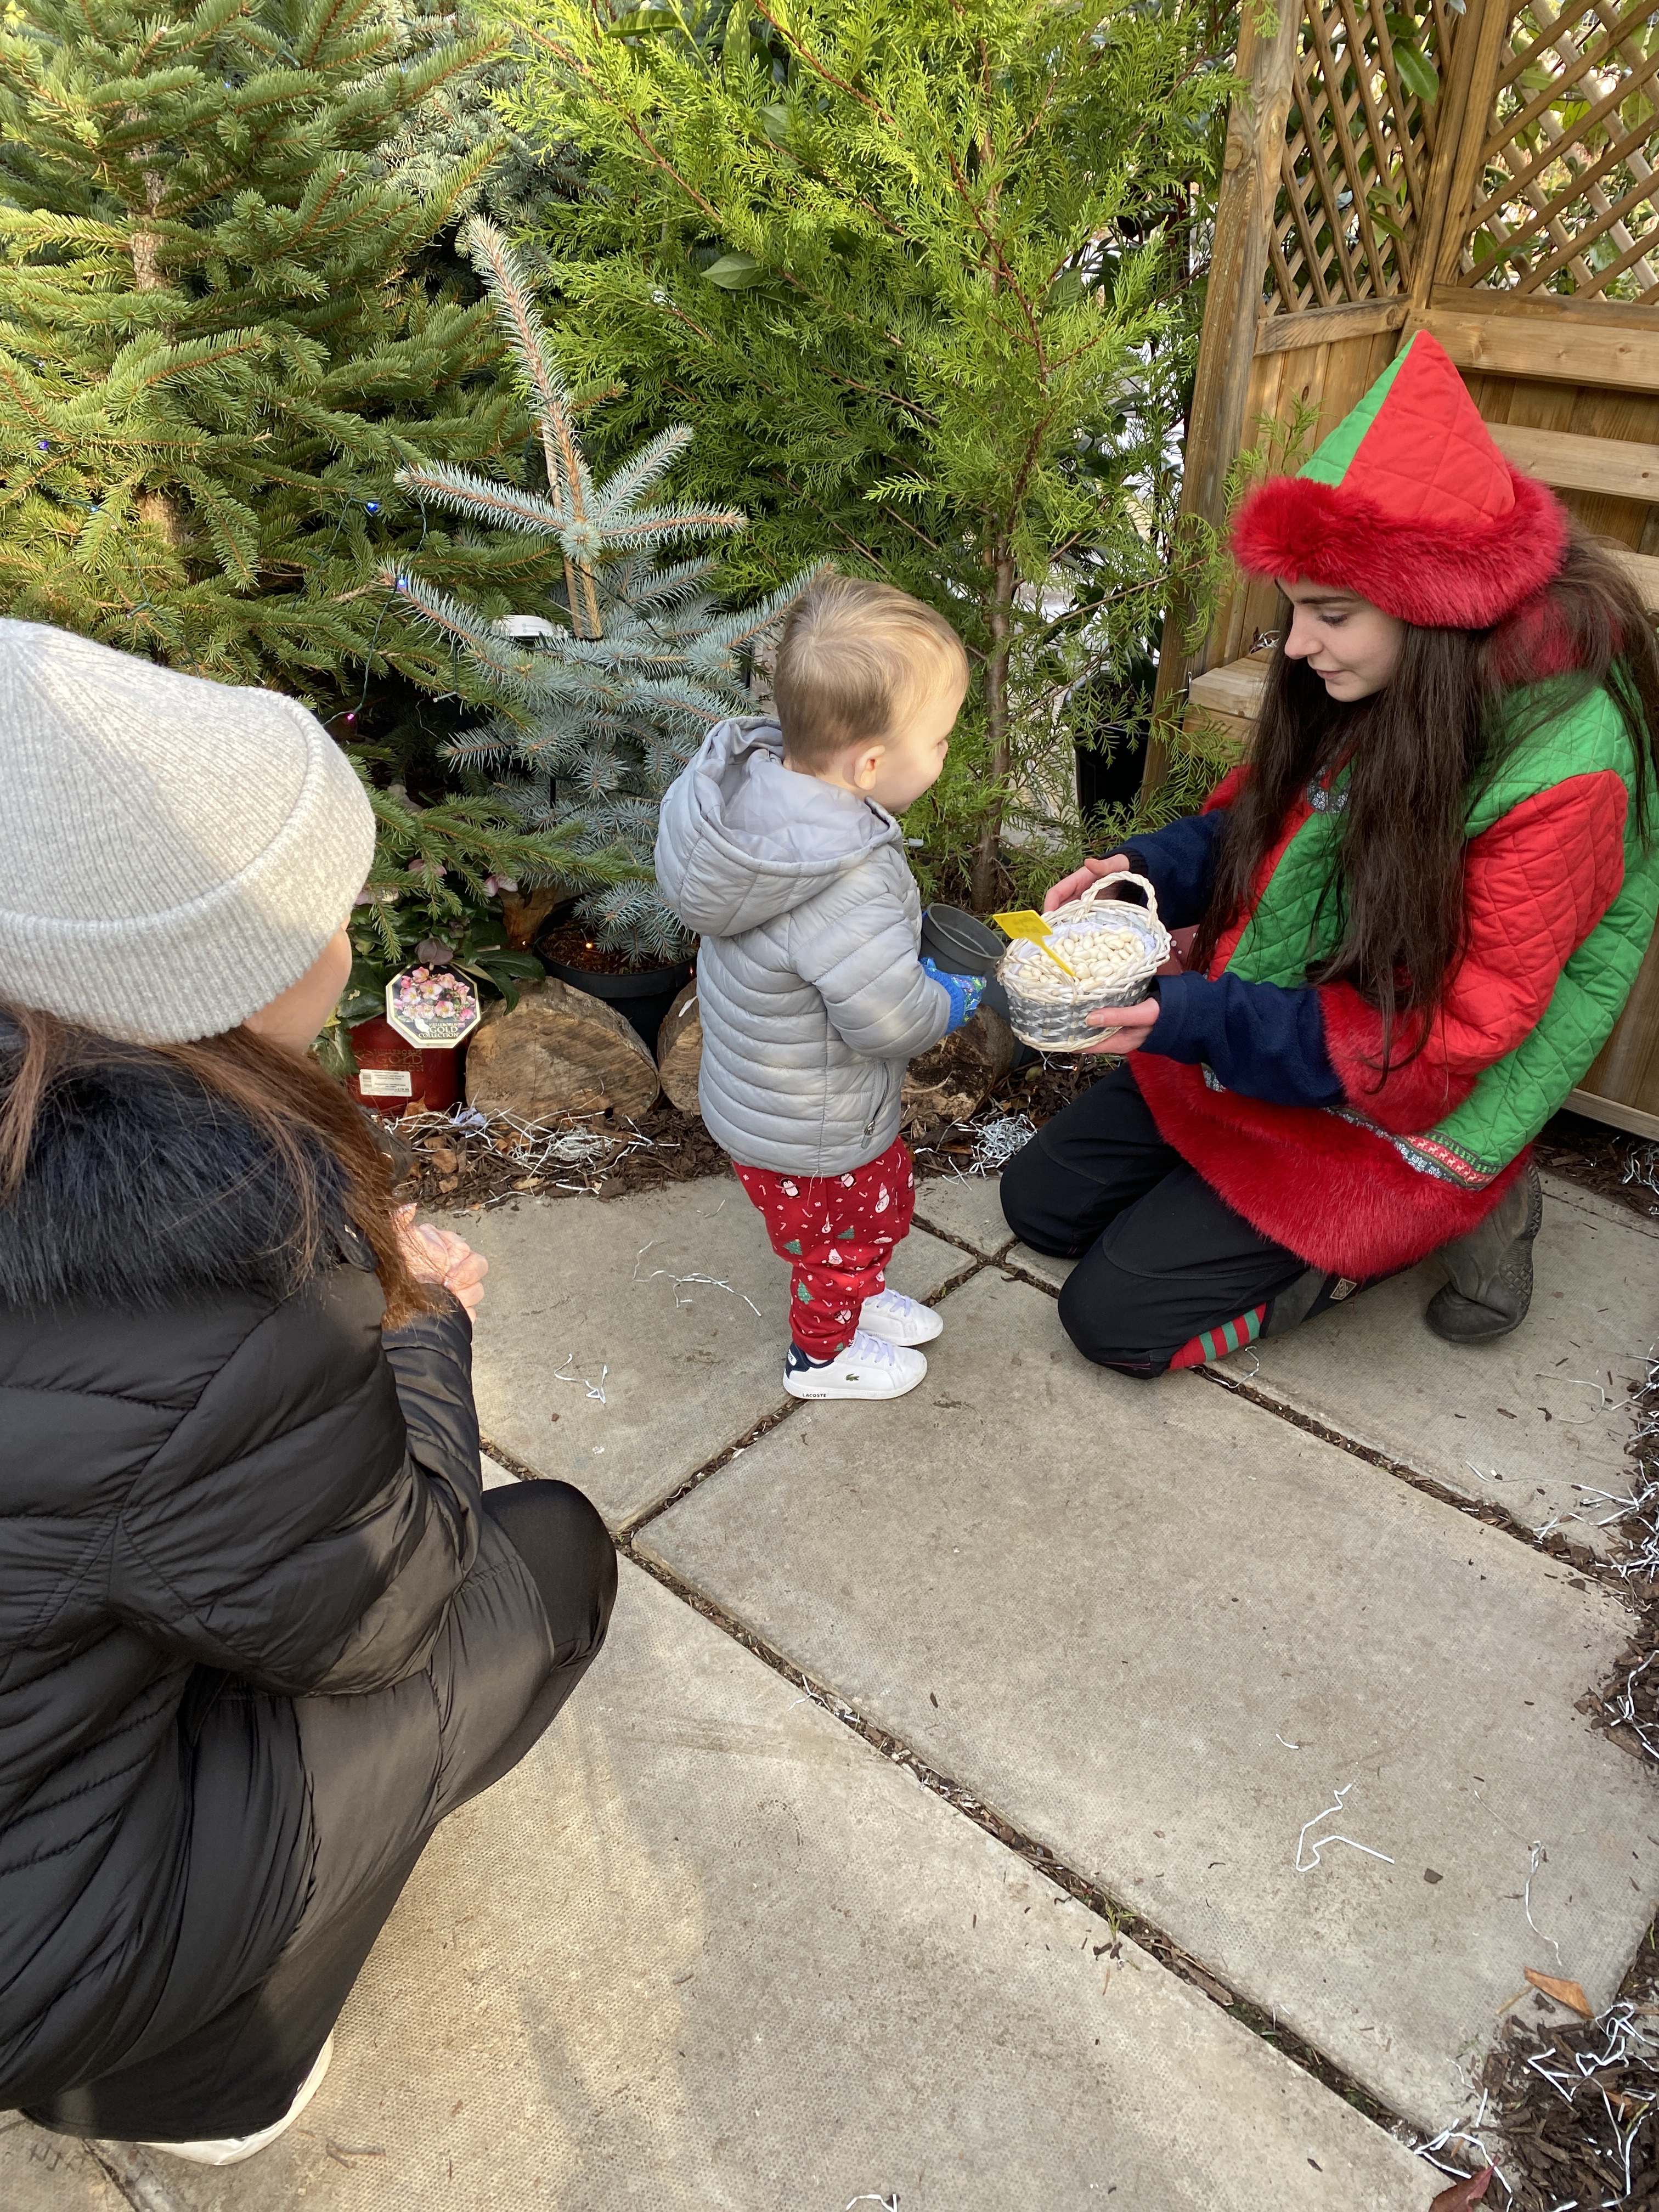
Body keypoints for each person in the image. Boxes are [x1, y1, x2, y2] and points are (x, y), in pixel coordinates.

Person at [0, 620, 616, 2164]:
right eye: (330, 913)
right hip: (28, 1946)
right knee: (545, 1558)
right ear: (199, 973)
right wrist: (417, 1330)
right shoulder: (202, 1266)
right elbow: (383, 1608)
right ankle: (199, 2072)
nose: (352, 947)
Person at [1002, 331, 1659, 1375]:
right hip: (1304, 1010)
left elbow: (1453, 1032)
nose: (1298, 645)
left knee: (1113, 1321)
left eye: (1331, 614)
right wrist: (1142, 871)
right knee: (1038, 1207)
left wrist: (1201, 1018)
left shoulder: (1566, 770)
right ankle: (1224, 1191)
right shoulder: (1384, 673)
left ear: (1435, 609)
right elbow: (1267, 822)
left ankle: (1452, 1216)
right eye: (1296, 608)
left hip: (1408, 1078)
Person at [656, 573, 983, 1403]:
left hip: (771, 1101)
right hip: (817, 1123)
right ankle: (822, 1356)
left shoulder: (765, 811)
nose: (946, 754)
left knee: (862, 1214)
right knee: (846, 1237)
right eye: (940, 739)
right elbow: (887, 1020)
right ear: (870, 763)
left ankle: (859, 1297)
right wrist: (949, 999)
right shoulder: (846, 881)